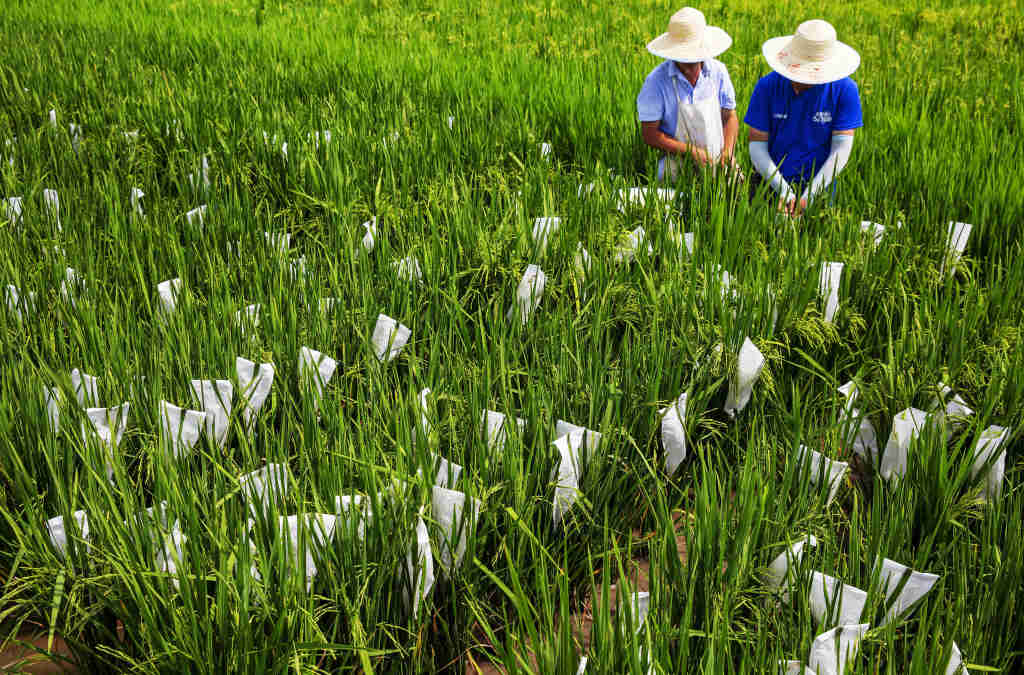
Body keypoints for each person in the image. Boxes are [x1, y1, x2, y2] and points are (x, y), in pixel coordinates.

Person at [745, 19, 863, 216]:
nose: (800, 82)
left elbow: (841, 149)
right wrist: (783, 189)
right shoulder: (767, 87)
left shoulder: (845, 90)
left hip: (819, 185)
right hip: (769, 181)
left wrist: (809, 195)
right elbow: (757, 146)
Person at [636, 7, 739, 182]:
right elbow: (650, 134)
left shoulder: (717, 72)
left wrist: (727, 153)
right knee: (666, 179)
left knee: (735, 189)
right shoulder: (656, 82)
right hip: (677, 158)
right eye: (684, 59)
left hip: (718, 157)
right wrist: (691, 151)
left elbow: (730, 117)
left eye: (694, 58)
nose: (690, 65)